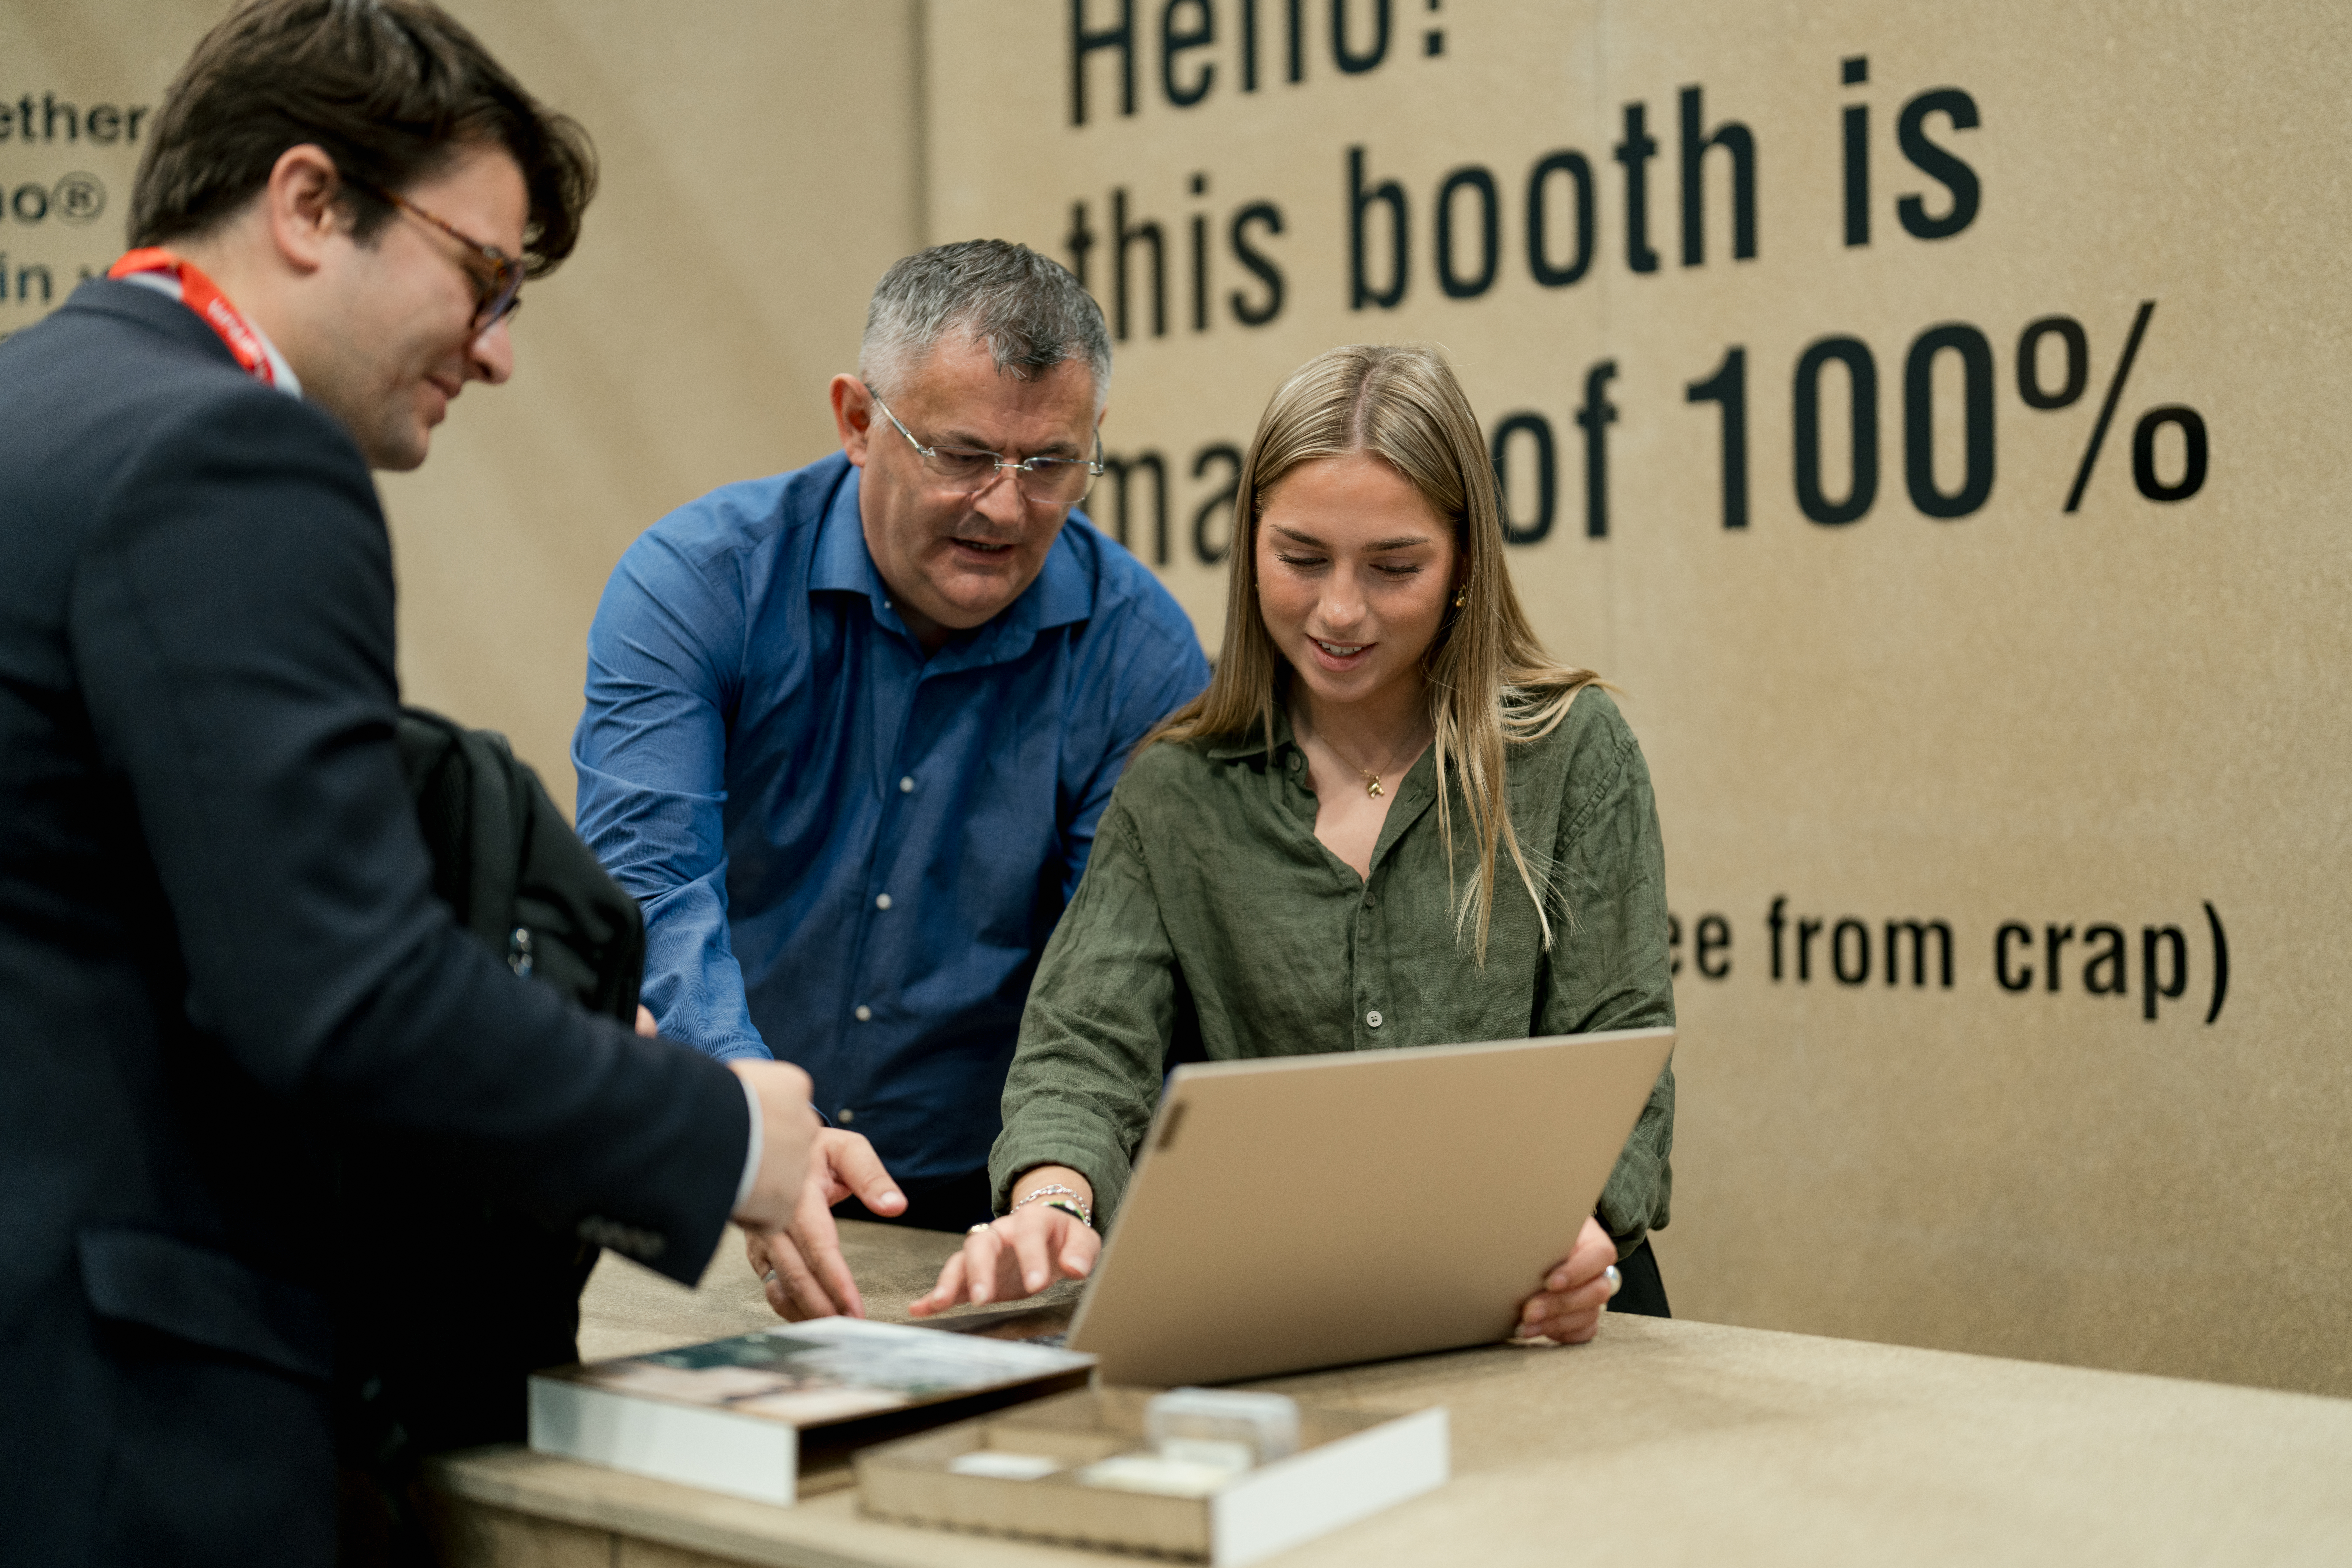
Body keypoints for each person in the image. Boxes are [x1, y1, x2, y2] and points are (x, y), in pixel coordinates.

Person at [0, 4, 815, 1563]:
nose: (497, 351)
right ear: (311, 203)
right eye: (483, 277)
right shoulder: (234, 458)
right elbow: (338, 995)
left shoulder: (38, 417)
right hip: (118, 1434)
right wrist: (714, 1128)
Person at [914, 344, 1677, 1344]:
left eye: (1394, 568)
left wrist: (1581, 1234)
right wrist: (1052, 1202)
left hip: (1543, 1305)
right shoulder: (1177, 789)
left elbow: (1620, 1052)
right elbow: (1084, 1050)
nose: (1340, 610)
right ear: (1249, 546)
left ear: (1463, 563)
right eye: (1301, 558)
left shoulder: (1570, 752)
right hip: (1294, 1316)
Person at [574, 240, 1210, 1323]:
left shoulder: (1139, 655)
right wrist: (751, 1112)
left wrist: (1053, 1187)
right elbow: (651, 885)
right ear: (859, 421)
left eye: (1050, 464)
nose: (1004, 508)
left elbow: (1114, 973)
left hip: (976, 1219)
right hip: (699, 1175)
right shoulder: (698, 584)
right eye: (963, 455)